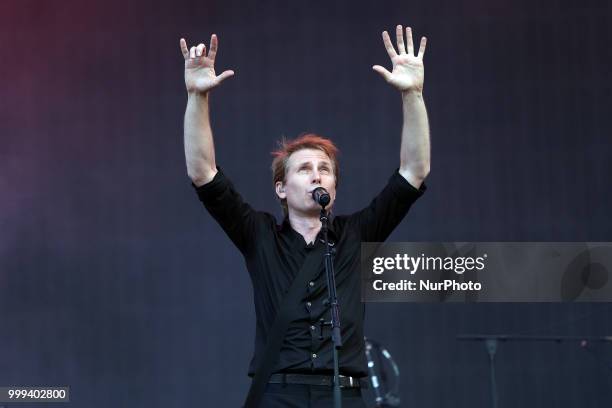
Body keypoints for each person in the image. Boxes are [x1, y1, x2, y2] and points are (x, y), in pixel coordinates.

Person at [180, 24, 430, 408]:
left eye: (325, 168)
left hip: (344, 394)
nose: (317, 174)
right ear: (281, 188)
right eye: (304, 168)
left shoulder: (356, 234)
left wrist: (413, 94)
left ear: (334, 185)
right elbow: (203, 172)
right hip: (280, 393)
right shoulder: (259, 234)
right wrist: (197, 97)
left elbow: (413, 171)